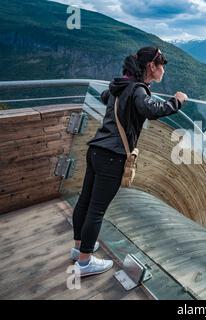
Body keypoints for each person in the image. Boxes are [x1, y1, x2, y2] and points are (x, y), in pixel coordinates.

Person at [71, 46, 188, 277]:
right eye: (161, 64)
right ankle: (84, 263)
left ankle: (78, 248)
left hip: (96, 150)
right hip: (113, 156)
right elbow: (151, 109)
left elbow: (106, 96)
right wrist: (177, 101)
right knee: (96, 210)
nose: (163, 69)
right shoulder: (137, 90)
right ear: (151, 66)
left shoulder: (119, 86)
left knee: (85, 201)